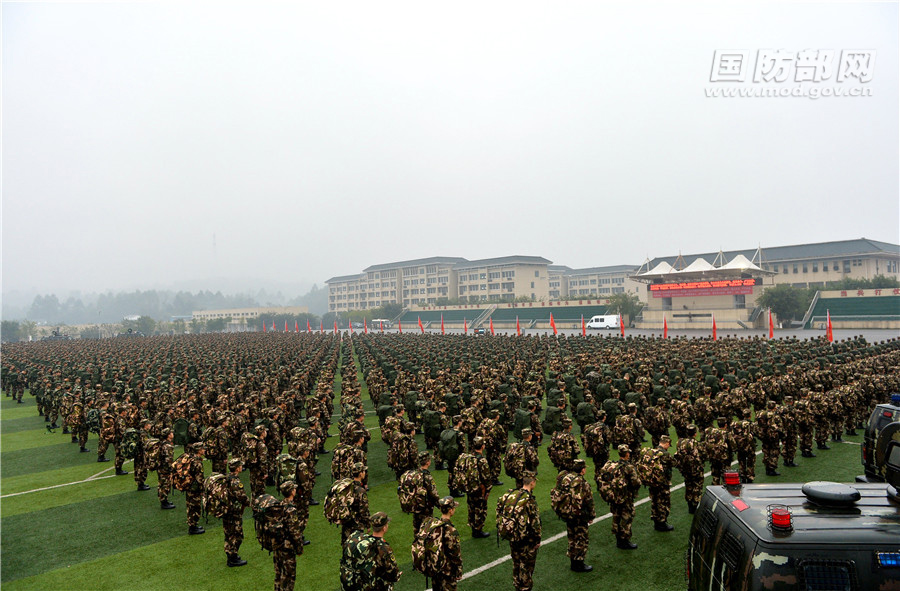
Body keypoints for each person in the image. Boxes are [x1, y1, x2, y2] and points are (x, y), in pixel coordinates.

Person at [599, 445, 642, 550]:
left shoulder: (612, 465)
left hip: (614, 497)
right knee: (626, 518)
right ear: (627, 454)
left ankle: (619, 539)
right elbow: (636, 483)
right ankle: (624, 540)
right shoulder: (628, 467)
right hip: (625, 497)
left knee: (616, 516)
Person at [556, 459, 594, 572]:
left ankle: (573, 561)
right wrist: (591, 515)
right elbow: (589, 501)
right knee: (581, 539)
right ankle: (579, 564)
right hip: (579, 515)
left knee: (571, 537)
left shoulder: (565, 478)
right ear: (582, 470)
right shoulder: (582, 483)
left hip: (567, 513)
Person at [508, 472, 541, 591]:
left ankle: (517, 586)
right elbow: (535, 523)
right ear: (532, 483)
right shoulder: (529, 500)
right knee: (526, 568)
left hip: (513, 537)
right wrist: (537, 540)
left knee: (516, 564)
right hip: (527, 540)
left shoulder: (513, 495)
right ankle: (525, 588)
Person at [273, 481, 305, 591]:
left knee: (278, 574)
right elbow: (294, 532)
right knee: (288, 577)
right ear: (292, 492)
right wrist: (299, 549)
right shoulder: (291, 510)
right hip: (287, 548)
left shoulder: (279, 505)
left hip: (277, 545)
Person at [399, 452, 440, 535]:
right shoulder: (427, 476)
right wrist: (441, 506)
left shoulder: (414, 474)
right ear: (428, 462)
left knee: (417, 529)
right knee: (426, 531)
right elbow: (433, 494)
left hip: (415, 506)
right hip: (425, 508)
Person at [430, 497, 463, 591]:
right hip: (447, 571)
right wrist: (459, 570)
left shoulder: (433, 525)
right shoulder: (451, 530)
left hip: (435, 568)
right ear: (450, 510)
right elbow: (455, 554)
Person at [642, 435, 675, 531]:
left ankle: (656, 522)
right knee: (663, 502)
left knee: (655, 501)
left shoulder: (653, 452)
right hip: (662, 483)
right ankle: (662, 523)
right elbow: (674, 463)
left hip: (653, 482)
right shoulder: (665, 454)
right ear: (667, 443)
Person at [224, 458, 250, 567]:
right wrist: (248, 502)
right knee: (236, 534)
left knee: (229, 533)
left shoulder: (226, 477)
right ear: (237, 468)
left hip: (226, 510)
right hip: (233, 511)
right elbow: (241, 496)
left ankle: (231, 555)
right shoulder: (235, 481)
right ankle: (232, 557)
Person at [674, 424, 704, 514]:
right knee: (697, 487)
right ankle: (696, 505)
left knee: (688, 486)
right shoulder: (696, 443)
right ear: (695, 433)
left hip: (685, 470)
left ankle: (690, 506)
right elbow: (703, 454)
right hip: (696, 470)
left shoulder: (680, 442)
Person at [467, 437, 493, 539]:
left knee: (471, 508)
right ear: (483, 446)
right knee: (480, 509)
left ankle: (473, 528)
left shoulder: (469, 457)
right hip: (479, 489)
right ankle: (478, 530)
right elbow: (486, 477)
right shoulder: (482, 460)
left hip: (470, 488)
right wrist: (488, 490)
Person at [183, 442, 206, 535]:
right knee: (195, 507)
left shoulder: (191, 459)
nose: (204, 450)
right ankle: (192, 527)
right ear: (199, 450)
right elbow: (199, 479)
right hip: (194, 488)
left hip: (189, 486)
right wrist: (202, 490)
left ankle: (193, 525)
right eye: (203, 449)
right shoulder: (197, 463)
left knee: (190, 506)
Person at [158, 428, 176, 510]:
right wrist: (171, 469)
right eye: (171, 433)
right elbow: (169, 460)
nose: (172, 434)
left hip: (161, 467)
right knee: (165, 485)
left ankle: (165, 500)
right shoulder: (168, 446)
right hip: (165, 469)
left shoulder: (163, 443)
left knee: (162, 484)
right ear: (168, 435)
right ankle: (164, 502)